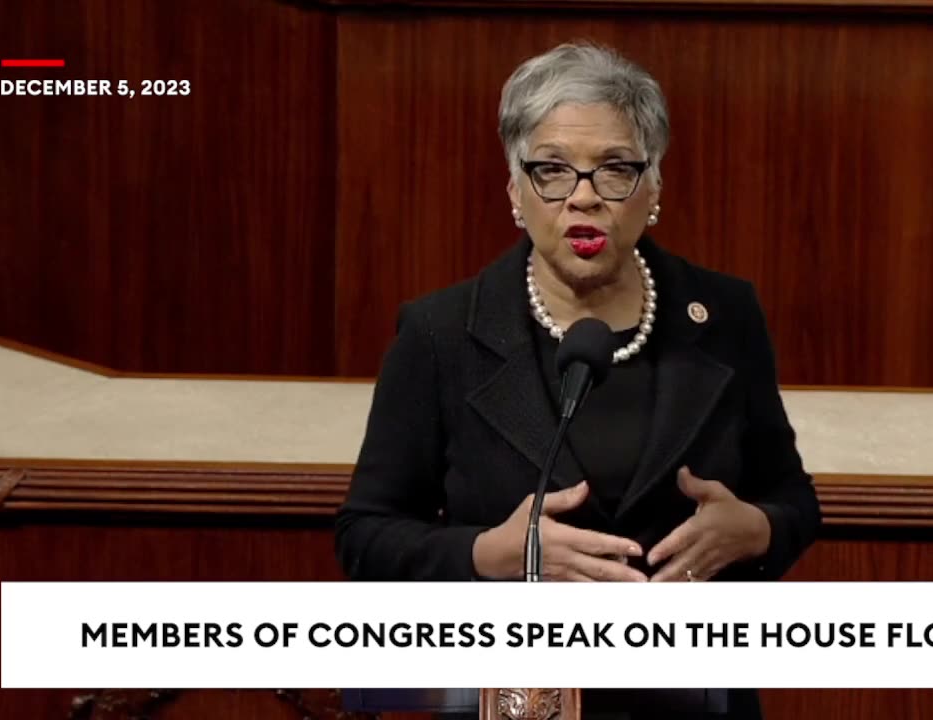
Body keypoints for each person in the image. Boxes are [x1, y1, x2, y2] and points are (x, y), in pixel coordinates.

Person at [336, 42, 821, 719]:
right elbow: (366, 535)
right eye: (552, 171)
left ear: (652, 189)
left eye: (616, 169)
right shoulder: (441, 333)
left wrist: (756, 530)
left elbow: (792, 498)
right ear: (515, 190)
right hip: (514, 700)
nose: (584, 198)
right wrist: (489, 553)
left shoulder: (723, 315)